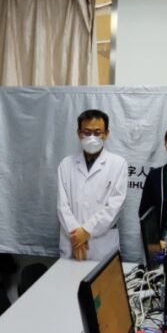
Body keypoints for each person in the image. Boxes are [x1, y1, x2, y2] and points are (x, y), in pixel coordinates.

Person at [57, 109, 128, 261]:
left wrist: (86, 231)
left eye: (97, 133)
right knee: (68, 275)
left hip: (102, 244)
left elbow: (115, 206)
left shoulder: (118, 164)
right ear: (79, 133)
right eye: (87, 132)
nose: (92, 137)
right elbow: (62, 206)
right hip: (72, 242)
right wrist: (77, 235)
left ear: (106, 134)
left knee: (103, 276)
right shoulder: (66, 164)